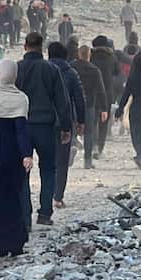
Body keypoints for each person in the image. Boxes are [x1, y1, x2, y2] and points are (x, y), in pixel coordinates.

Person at [16, 33, 71, 227]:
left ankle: (24, 215)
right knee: (48, 168)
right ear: (42, 48)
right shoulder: (51, 69)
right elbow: (62, 101)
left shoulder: (17, 69)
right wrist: (66, 127)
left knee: (22, 171)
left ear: (25, 46)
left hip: (21, 126)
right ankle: (45, 213)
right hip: (46, 127)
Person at [0, 59, 32, 257]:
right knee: (12, 198)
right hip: (12, 156)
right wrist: (26, 155)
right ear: (15, 77)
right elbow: (21, 131)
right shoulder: (21, 99)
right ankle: (14, 242)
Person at [47, 42, 84, 209]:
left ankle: (46, 195)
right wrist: (81, 121)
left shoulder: (42, 71)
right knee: (62, 160)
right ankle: (57, 197)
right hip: (64, 122)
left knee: (46, 161)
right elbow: (79, 98)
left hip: (43, 122)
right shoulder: (71, 73)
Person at [73, 46, 107, 170]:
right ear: (89, 55)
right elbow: (101, 90)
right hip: (89, 104)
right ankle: (87, 160)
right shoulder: (94, 70)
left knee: (71, 127)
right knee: (89, 132)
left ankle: (72, 146)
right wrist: (104, 108)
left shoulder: (72, 67)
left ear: (78, 54)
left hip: (73, 103)